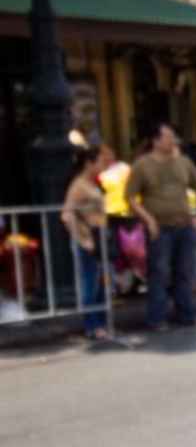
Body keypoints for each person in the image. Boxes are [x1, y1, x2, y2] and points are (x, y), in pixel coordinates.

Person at [126, 122, 196, 330]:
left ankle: (187, 314)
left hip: (184, 224)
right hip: (159, 227)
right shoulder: (142, 165)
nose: (172, 140)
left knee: (185, 271)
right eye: (168, 137)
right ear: (156, 141)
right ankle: (157, 318)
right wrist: (148, 220)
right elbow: (130, 197)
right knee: (159, 272)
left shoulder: (183, 162)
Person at [62, 141, 115, 340]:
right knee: (89, 284)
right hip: (87, 240)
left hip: (98, 239)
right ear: (89, 163)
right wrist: (83, 240)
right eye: (100, 162)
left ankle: (100, 323)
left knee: (100, 284)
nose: (104, 165)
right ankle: (92, 325)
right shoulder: (78, 185)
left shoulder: (93, 183)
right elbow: (67, 214)